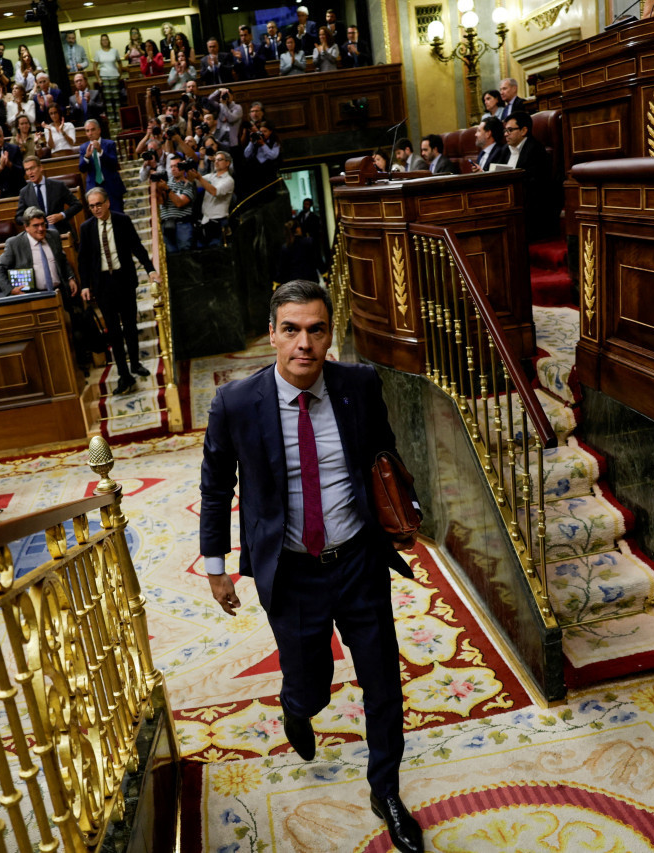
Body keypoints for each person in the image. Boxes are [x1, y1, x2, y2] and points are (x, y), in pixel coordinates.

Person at [199, 279, 424, 853]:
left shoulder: (358, 384)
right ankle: (297, 708)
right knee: (311, 683)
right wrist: (217, 563)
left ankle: (387, 791)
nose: (304, 343)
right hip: (291, 571)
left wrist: (405, 509)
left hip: (357, 562)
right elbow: (216, 483)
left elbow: (384, 455)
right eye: (292, 329)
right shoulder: (236, 403)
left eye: (316, 330)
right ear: (272, 334)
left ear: (329, 334)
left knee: (381, 680)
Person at [77, 187, 158, 395]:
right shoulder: (86, 228)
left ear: (107, 203)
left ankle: (136, 363)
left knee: (130, 325)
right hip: (102, 283)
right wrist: (85, 285)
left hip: (124, 279)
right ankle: (123, 373)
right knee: (113, 331)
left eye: (98, 204)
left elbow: (137, 247)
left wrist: (150, 270)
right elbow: (83, 259)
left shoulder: (122, 221)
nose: (95, 209)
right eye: (91, 206)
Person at [0, 205, 79, 297]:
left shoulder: (54, 236)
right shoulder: (15, 244)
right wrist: (10, 290)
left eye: (42, 224)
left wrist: (70, 278)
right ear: (26, 227)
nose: (41, 229)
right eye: (36, 226)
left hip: (60, 292)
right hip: (33, 296)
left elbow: (62, 259)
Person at [502, 112, 554, 237]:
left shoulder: (535, 150)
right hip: (507, 202)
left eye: (509, 130)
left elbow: (534, 184)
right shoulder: (505, 150)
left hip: (529, 209)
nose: (505, 134)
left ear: (524, 130)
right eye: (505, 130)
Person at [17, 156, 81, 235]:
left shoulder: (58, 186)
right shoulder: (24, 192)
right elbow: (18, 217)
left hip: (60, 231)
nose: (30, 173)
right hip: (37, 234)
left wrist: (61, 215)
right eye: (27, 170)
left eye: (32, 168)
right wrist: (31, 220)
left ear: (40, 168)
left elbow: (77, 205)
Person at [79, 118, 126, 213]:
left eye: (92, 129)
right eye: (87, 131)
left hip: (111, 187)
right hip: (94, 188)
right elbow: (82, 169)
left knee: (118, 215)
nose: (90, 133)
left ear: (99, 130)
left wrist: (101, 151)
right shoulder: (83, 148)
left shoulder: (109, 144)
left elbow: (114, 164)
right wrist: (87, 157)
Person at [192, 149, 234, 248]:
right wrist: (189, 171)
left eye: (219, 160)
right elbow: (196, 183)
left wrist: (200, 178)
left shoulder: (229, 180)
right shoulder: (211, 176)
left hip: (218, 222)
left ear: (227, 163)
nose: (216, 162)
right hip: (205, 220)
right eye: (215, 160)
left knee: (217, 252)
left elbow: (215, 192)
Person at [154, 154, 195, 254]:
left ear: (182, 167)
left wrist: (167, 189)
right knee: (171, 256)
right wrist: (158, 189)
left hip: (182, 224)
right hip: (167, 224)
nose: (173, 169)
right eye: (171, 166)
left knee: (185, 254)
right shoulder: (165, 182)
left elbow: (180, 203)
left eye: (176, 166)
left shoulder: (188, 184)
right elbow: (161, 202)